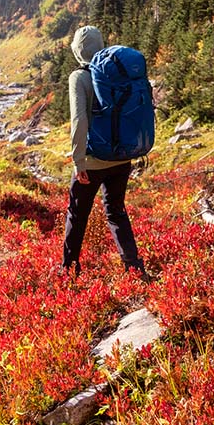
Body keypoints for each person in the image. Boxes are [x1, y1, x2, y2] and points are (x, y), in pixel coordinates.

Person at [62, 25, 147, 277]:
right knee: (116, 211)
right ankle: (134, 268)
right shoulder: (116, 73)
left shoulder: (79, 77)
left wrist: (79, 162)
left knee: (77, 214)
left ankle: (69, 271)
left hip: (92, 159)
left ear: (78, 50)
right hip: (121, 156)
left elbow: (79, 120)